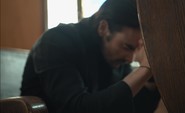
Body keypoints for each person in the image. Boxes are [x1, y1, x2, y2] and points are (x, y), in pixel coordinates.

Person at [20, 0, 160, 113]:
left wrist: (150, 81)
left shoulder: (115, 58)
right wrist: (145, 68)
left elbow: (131, 107)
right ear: (103, 27)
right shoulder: (56, 41)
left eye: (136, 49)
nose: (130, 58)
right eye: (127, 47)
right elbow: (76, 108)